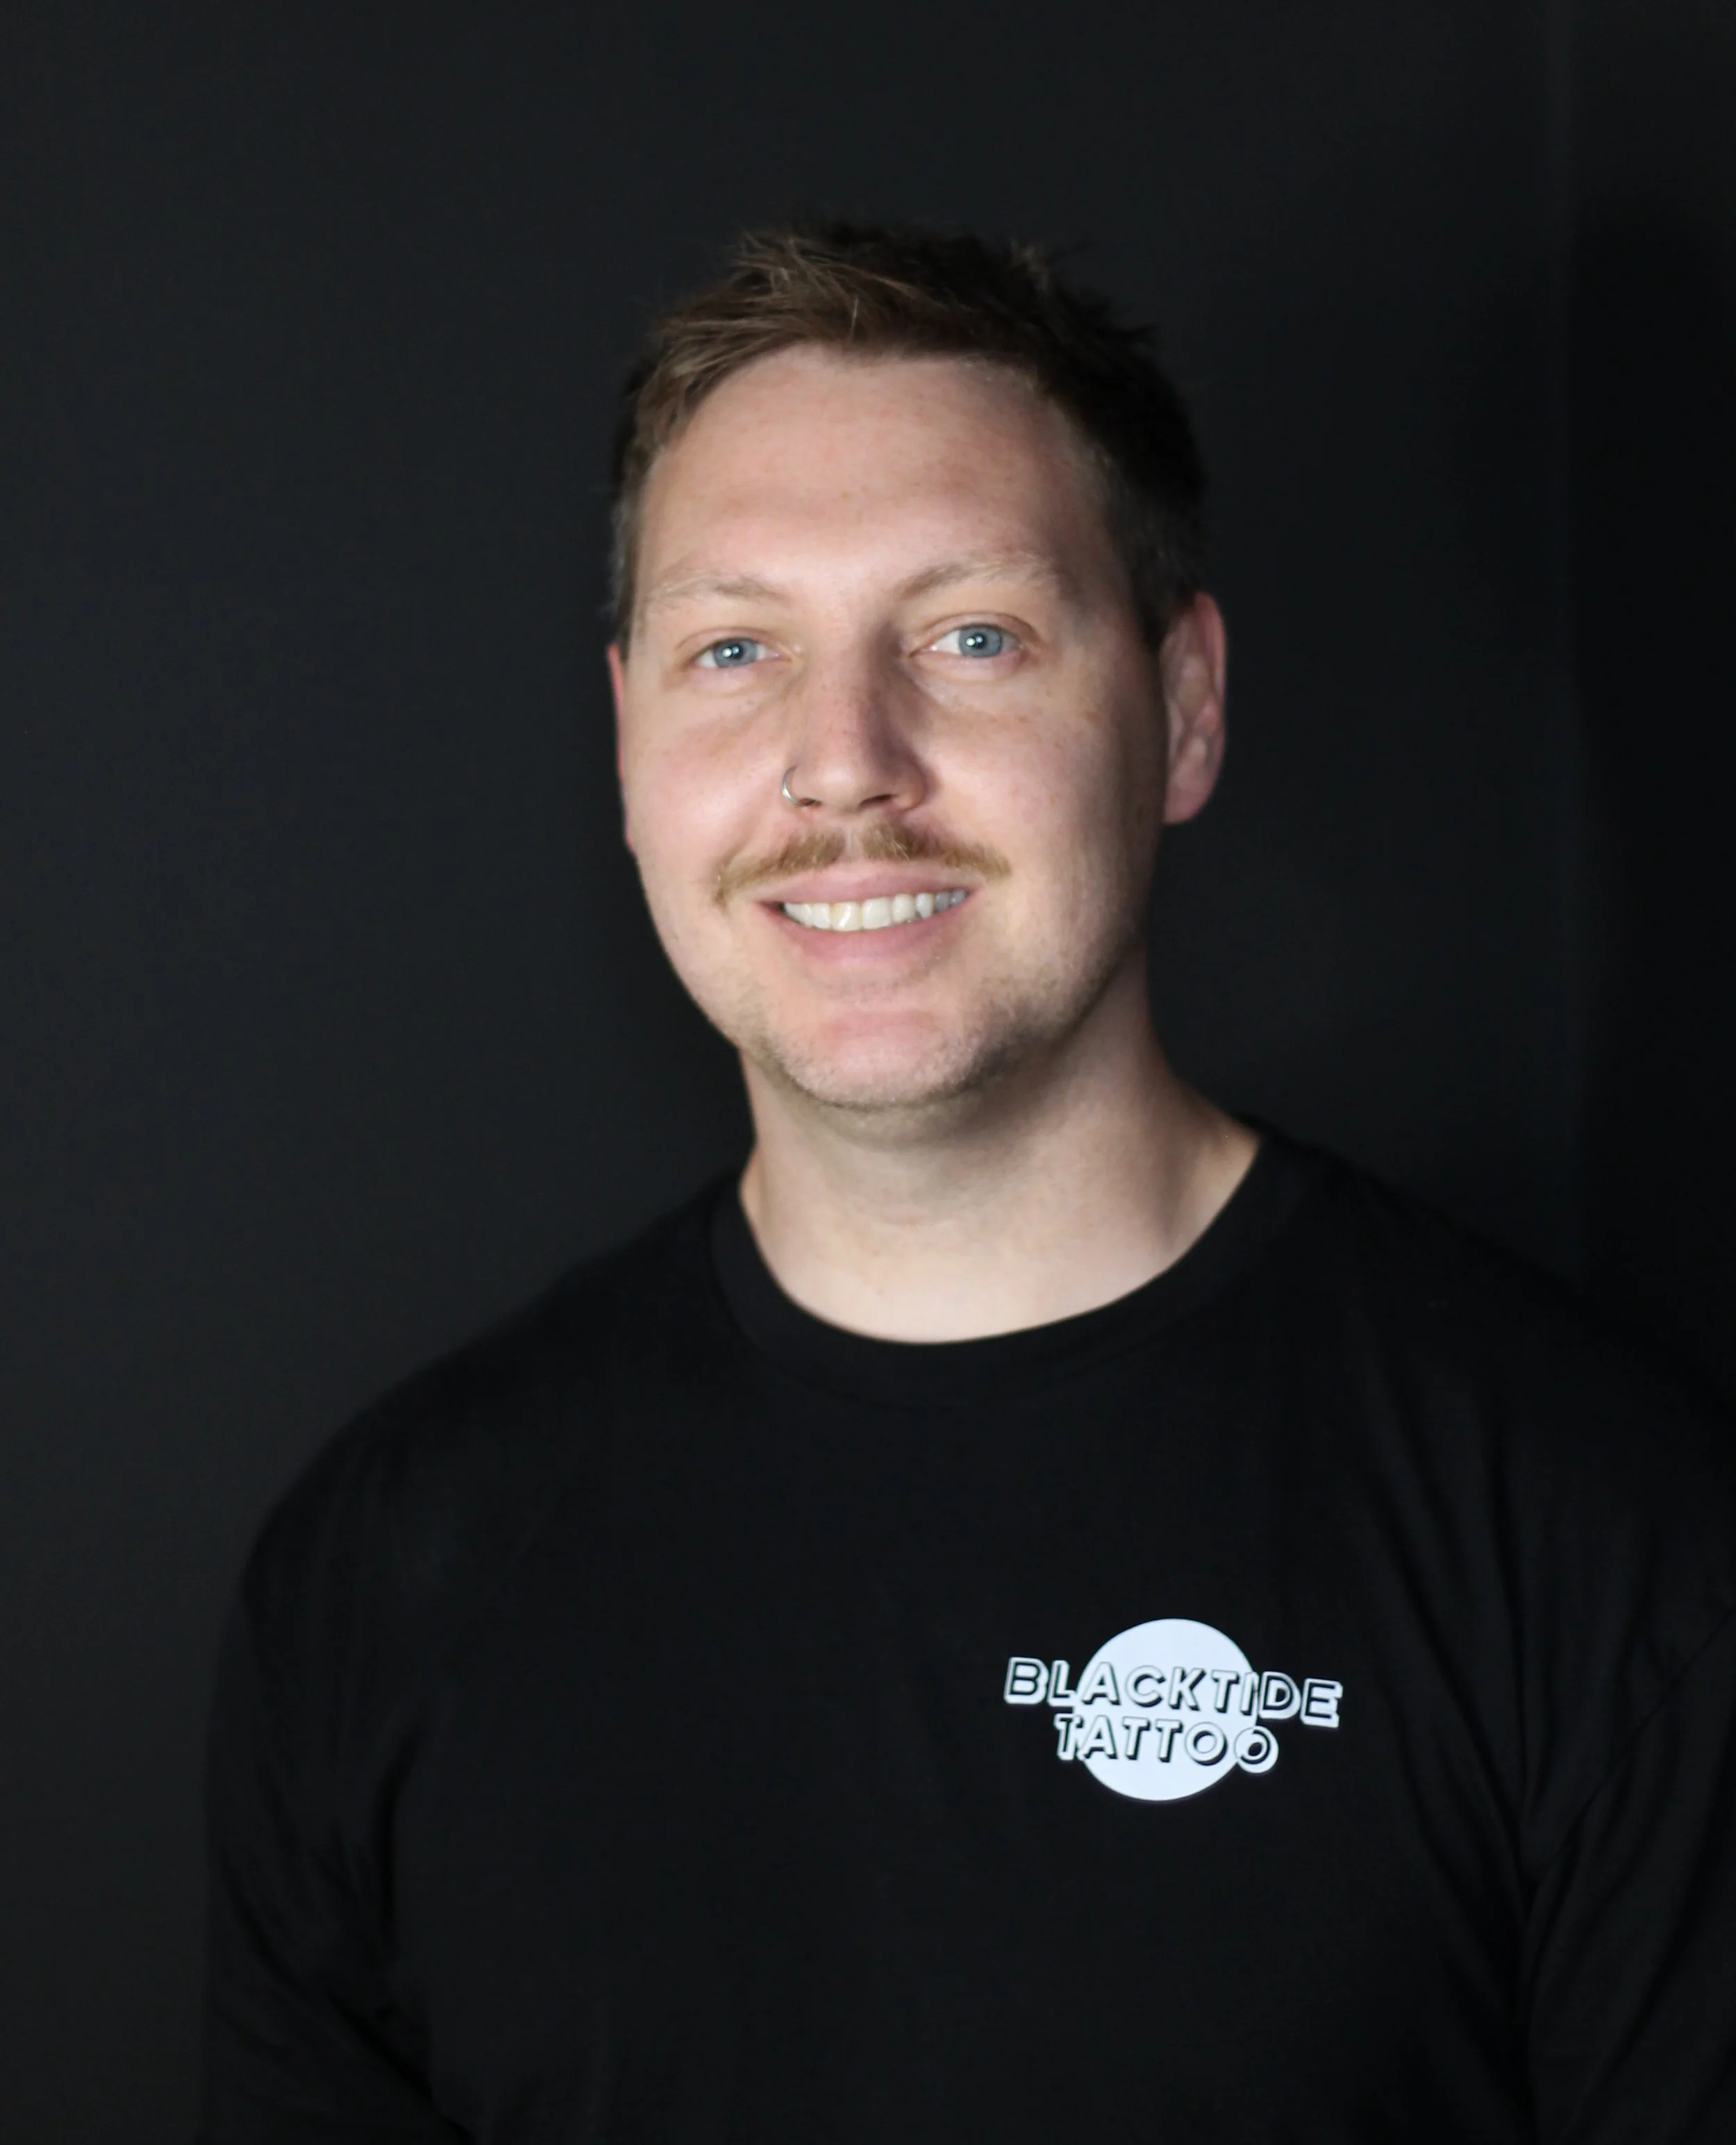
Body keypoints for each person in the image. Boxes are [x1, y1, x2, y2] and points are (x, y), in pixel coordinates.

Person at [197, 222, 1736, 2142]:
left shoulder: (1601, 1540)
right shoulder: (375, 1575)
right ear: (628, 739)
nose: (844, 764)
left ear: (1183, 708)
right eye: (735, 649)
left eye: (971, 636)